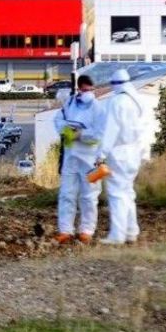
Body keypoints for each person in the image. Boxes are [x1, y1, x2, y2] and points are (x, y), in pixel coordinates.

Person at [53, 74, 104, 244]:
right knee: (67, 194)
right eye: (83, 89)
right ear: (79, 88)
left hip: (90, 159)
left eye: (89, 89)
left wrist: (81, 134)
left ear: (94, 89)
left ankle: (86, 230)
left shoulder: (98, 108)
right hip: (70, 156)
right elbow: (58, 120)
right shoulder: (70, 103)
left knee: (89, 196)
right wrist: (67, 132)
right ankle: (65, 230)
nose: (86, 92)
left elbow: (99, 134)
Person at [96, 69, 145, 245]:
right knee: (127, 191)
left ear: (115, 84)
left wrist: (101, 154)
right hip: (134, 152)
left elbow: (111, 131)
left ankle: (117, 235)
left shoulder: (117, 102)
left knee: (117, 194)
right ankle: (131, 231)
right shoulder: (137, 100)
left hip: (119, 153)